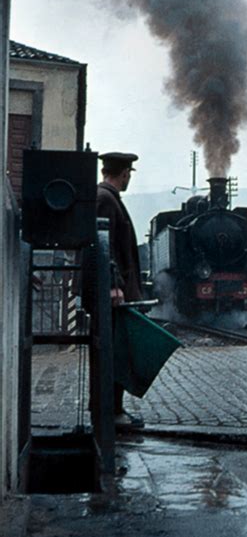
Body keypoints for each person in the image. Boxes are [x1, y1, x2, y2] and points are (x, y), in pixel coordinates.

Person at [97, 151, 144, 429]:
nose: (128, 179)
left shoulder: (108, 198)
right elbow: (107, 246)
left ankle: (113, 410)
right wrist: (115, 286)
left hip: (115, 292)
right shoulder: (105, 200)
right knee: (114, 353)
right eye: (128, 174)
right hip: (113, 293)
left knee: (115, 352)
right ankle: (112, 413)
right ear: (124, 172)